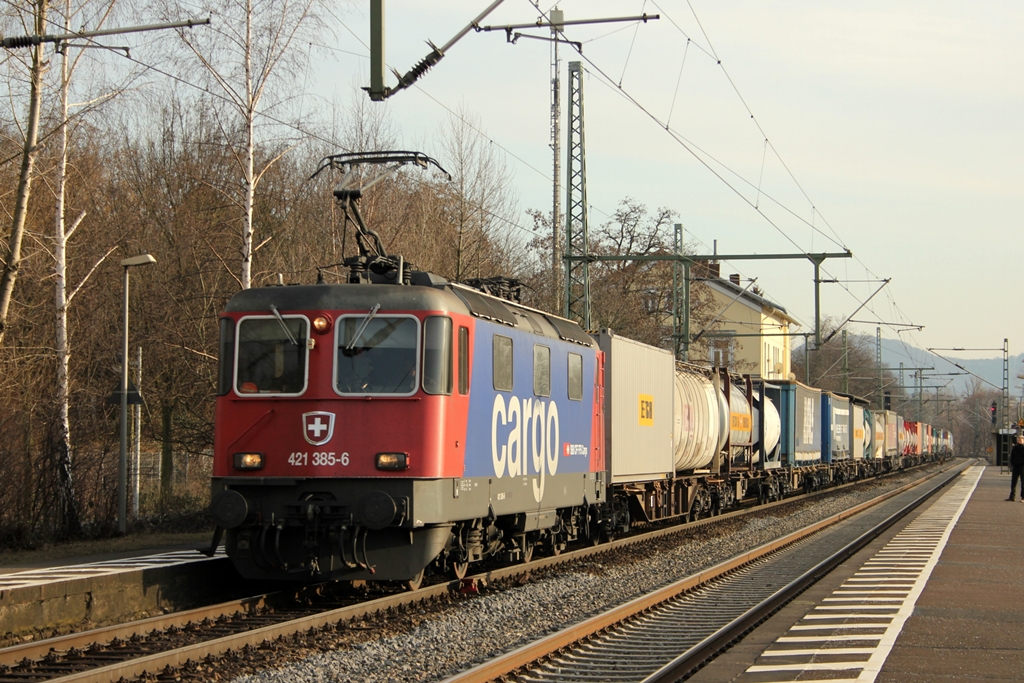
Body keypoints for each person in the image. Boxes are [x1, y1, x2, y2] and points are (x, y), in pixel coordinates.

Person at [1008, 435, 1024, 501]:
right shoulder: (1015, 448)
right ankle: (1012, 496)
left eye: (1021, 439)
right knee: (1013, 482)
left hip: (1023, 467)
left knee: (1023, 483)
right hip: (1015, 467)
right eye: (1018, 439)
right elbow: (1012, 456)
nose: (1019, 440)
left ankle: (1023, 497)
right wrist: (1012, 463)